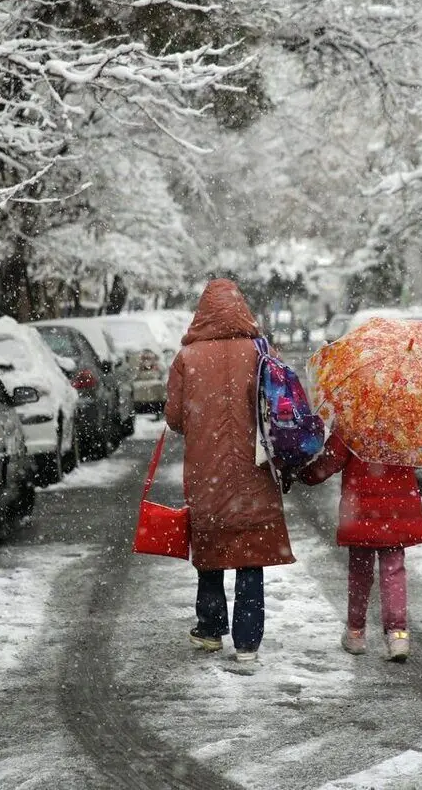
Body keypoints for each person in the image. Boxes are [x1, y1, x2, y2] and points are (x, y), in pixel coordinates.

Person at [165, 279, 295, 663]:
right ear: (242, 309)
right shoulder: (260, 351)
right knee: (250, 552)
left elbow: (174, 417)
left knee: (211, 544)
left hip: (207, 470)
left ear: (202, 312)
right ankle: (248, 643)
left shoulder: (187, 358)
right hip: (256, 467)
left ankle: (209, 629)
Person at [297, 427, 422, 662]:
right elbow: (420, 457)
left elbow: (331, 461)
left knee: (360, 572)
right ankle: (398, 635)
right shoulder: (407, 418)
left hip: (360, 508)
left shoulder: (353, 418)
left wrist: (305, 475)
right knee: (394, 571)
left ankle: (356, 632)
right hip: (397, 510)